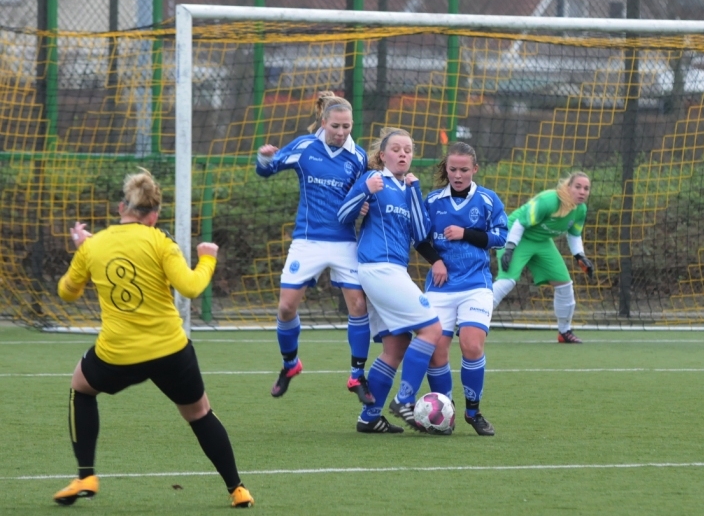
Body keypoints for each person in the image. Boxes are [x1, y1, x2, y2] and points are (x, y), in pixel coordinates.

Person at [52, 168, 254, 508]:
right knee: (200, 413)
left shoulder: (93, 245)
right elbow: (191, 287)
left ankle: (86, 475)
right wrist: (207, 258)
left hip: (117, 353)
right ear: (154, 215)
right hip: (170, 351)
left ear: (122, 208)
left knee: (81, 388)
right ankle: (237, 489)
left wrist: (82, 250)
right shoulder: (161, 241)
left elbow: (66, 292)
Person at [255, 92, 374, 404]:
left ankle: (357, 375)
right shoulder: (305, 146)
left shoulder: (359, 157)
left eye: (347, 126)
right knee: (286, 308)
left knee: (358, 306)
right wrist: (265, 158)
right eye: (335, 126)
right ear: (323, 122)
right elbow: (267, 170)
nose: (341, 132)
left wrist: (364, 205)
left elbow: (365, 193)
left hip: (344, 241)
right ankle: (290, 364)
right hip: (307, 240)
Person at [338, 126, 443, 434]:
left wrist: (414, 191)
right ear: (382, 155)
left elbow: (421, 233)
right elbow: (343, 215)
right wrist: (364, 192)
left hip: (392, 271)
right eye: (396, 149)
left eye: (408, 150)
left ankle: (369, 417)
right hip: (378, 268)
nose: (402, 154)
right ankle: (404, 399)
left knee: (396, 346)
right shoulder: (375, 179)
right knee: (432, 329)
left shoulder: (407, 188)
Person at [415, 142, 508, 436]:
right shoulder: (432, 201)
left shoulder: (488, 200)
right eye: (453, 169)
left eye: (464, 170)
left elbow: (500, 237)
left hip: (475, 285)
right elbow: (420, 239)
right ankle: (447, 411)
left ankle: (473, 411)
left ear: (474, 169)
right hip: (441, 287)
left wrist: (466, 233)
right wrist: (436, 261)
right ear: (446, 168)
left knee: (472, 345)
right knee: (435, 351)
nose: (458, 175)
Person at [492, 172, 594, 344]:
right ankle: (471, 321)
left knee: (564, 284)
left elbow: (574, 234)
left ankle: (564, 332)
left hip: (541, 241)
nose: (582, 192)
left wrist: (580, 256)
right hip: (515, 235)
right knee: (507, 281)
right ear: (568, 187)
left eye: (586, 188)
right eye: (578, 187)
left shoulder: (580, 210)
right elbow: (520, 223)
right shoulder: (549, 201)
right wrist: (509, 248)